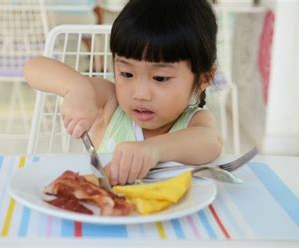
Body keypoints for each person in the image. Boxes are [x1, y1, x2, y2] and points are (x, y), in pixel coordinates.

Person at [24, 0, 222, 186]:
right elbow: (33, 68)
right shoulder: (112, 103)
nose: (140, 94)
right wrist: (77, 88)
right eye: (127, 74)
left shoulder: (195, 122)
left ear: (203, 79)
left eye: (160, 78)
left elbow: (210, 142)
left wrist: (153, 149)